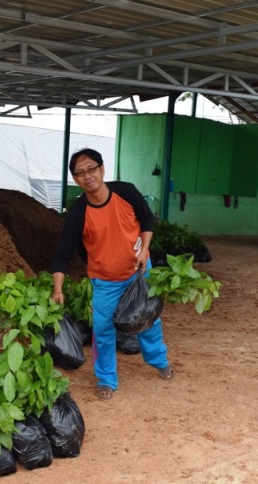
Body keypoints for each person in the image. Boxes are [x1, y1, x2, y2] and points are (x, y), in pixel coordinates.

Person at [51, 148, 173, 401]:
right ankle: (106, 379)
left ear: (102, 169)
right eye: (80, 173)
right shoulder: (78, 212)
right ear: (75, 179)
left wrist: (144, 251)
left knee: (148, 319)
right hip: (105, 280)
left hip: (139, 271)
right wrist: (58, 289)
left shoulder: (125, 192)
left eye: (91, 169)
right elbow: (62, 253)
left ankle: (159, 361)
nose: (87, 176)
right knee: (103, 330)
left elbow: (148, 220)